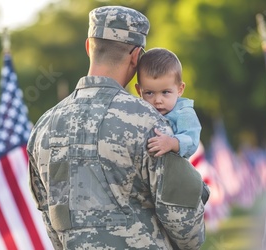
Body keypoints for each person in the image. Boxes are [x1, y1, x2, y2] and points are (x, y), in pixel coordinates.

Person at [27, 6, 207, 250]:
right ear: (136, 57)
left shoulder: (43, 127)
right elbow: (186, 228)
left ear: (89, 47)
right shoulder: (149, 122)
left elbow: (50, 217)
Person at [135, 48, 201, 159]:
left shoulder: (183, 113)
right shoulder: (138, 111)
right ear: (139, 91)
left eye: (165, 92)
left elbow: (191, 140)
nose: (158, 100)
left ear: (180, 89)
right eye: (149, 93)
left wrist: (171, 143)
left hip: (174, 172)